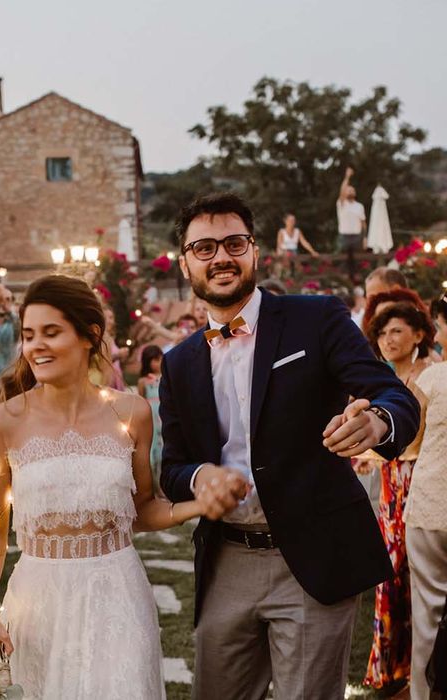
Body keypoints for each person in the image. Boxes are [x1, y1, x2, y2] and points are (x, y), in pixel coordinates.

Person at [160, 192, 420, 699]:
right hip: (227, 558)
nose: (221, 257)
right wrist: (200, 478)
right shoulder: (179, 362)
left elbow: (391, 392)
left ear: (255, 251)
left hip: (313, 555)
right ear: (186, 261)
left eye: (234, 243)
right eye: (204, 248)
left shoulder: (315, 318)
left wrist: (378, 423)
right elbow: (173, 466)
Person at [0, 274, 221, 698]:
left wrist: (195, 506)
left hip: (116, 597)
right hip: (36, 602)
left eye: (52, 332)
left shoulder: (132, 413)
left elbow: (143, 509)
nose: (36, 346)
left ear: (90, 336)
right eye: (29, 335)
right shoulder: (2, 422)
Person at [362, 303, 435, 691]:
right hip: (392, 483)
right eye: (382, 334)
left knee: (420, 577)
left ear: (418, 335)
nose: (387, 341)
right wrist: (366, 455)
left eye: (395, 332)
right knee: (390, 574)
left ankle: (423, 671)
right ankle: (392, 669)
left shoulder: (432, 375)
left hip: (425, 481)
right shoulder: (385, 380)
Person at [405, 295, 447, 700]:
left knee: (428, 613)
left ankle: (423, 694)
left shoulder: (433, 378)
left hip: (432, 507)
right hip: (433, 507)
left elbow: (409, 442)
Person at [137, 344, 164, 486]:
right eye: (155, 359)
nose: (158, 363)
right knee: (152, 447)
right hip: (151, 417)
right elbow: (141, 400)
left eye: (160, 359)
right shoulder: (143, 381)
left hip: (163, 414)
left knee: (164, 448)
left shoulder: (166, 376)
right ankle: (154, 485)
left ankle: (164, 483)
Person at [337, 167, 367, 277]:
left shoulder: (359, 206)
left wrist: (364, 237)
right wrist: (347, 177)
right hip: (344, 236)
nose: (350, 191)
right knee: (344, 261)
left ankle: (357, 281)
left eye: (352, 190)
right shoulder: (341, 204)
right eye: (348, 190)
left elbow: (363, 223)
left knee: (358, 262)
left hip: (357, 236)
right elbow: (342, 190)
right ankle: (344, 281)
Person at [275, 213, 318, 277]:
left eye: (293, 220)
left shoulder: (297, 231)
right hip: (284, 252)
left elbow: (304, 242)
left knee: (298, 266)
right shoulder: (281, 232)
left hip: (294, 252)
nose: (292, 222)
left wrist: (312, 251)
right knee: (286, 262)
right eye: (290, 220)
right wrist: (281, 254)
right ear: (285, 221)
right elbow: (279, 245)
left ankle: (297, 278)